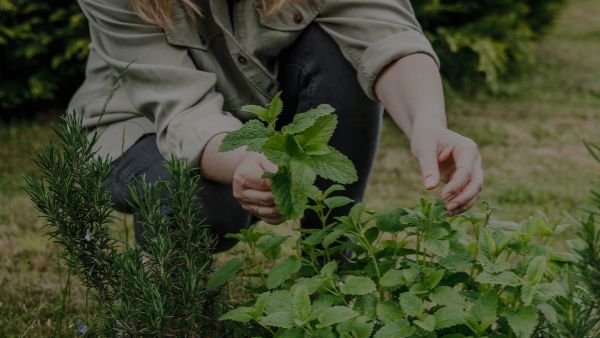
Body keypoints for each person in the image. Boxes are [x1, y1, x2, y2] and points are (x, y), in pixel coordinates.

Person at [69, 0, 484, 251]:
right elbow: (182, 112)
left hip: (249, 113)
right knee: (199, 201)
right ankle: (164, 300)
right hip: (134, 126)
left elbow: (382, 29)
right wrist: (247, 163)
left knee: (342, 52)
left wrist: (428, 121)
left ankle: (330, 264)